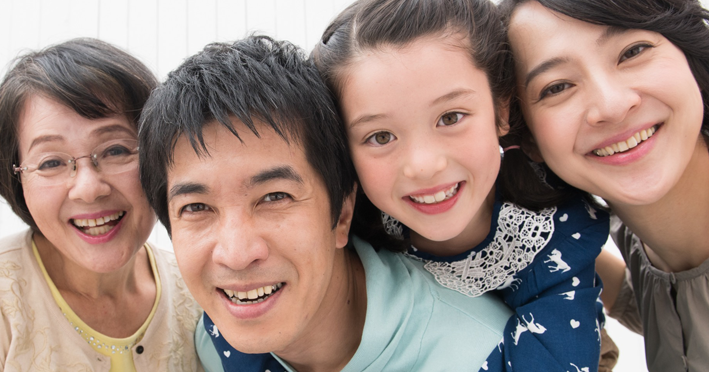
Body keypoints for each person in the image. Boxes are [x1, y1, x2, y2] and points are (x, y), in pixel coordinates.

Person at [137, 35, 512, 372]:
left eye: (274, 197)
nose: (236, 255)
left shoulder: (483, 356)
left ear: (343, 212)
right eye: (197, 208)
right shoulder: (214, 343)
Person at [501, 0, 709, 370]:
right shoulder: (643, 239)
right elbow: (674, 310)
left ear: (690, 54)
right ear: (527, 138)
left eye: (632, 52)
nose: (612, 105)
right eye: (558, 87)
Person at [311, 0, 613, 371]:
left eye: (450, 117)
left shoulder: (554, 230)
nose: (423, 166)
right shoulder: (346, 219)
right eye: (380, 136)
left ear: (501, 111)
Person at [0, 38, 201, 372]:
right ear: (17, 181)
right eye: (51, 163)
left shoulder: (202, 286)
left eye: (116, 150)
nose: (88, 189)